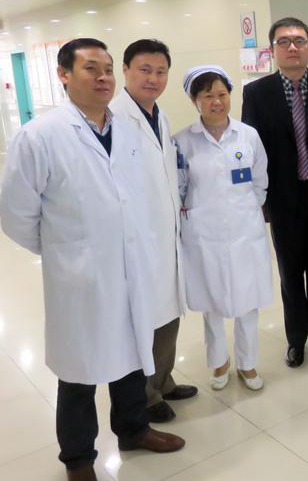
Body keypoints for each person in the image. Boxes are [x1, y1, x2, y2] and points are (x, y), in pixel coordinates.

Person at [0, 38, 184, 481]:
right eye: (90, 68)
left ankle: (133, 429)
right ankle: (79, 459)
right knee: (79, 371)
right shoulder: (40, 136)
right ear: (63, 75)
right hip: (79, 275)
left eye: (107, 69)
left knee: (131, 355)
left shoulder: (128, 128)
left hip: (131, 266)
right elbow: (15, 213)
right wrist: (66, 248)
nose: (103, 77)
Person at [242, 17, 308, 368]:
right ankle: (296, 340)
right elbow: (251, 149)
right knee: (290, 274)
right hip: (282, 199)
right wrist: (258, 200)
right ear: (273, 50)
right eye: (283, 42)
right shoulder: (256, 93)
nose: (292, 47)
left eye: (299, 41)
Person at [109, 39, 196, 424]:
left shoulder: (159, 115)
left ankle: (164, 380)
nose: (153, 78)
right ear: (125, 70)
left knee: (168, 313)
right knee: (144, 321)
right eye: (145, 70)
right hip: (138, 241)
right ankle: (145, 396)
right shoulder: (114, 118)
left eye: (161, 71)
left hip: (165, 235)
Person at [175, 66, 273, 391]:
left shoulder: (248, 135)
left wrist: (248, 208)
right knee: (212, 303)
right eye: (208, 96)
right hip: (204, 234)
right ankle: (219, 362)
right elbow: (179, 187)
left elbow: (260, 180)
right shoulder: (182, 141)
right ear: (194, 100)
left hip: (245, 231)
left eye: (222, 94)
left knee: (248, 300)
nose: (216, 102)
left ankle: (247, 363)